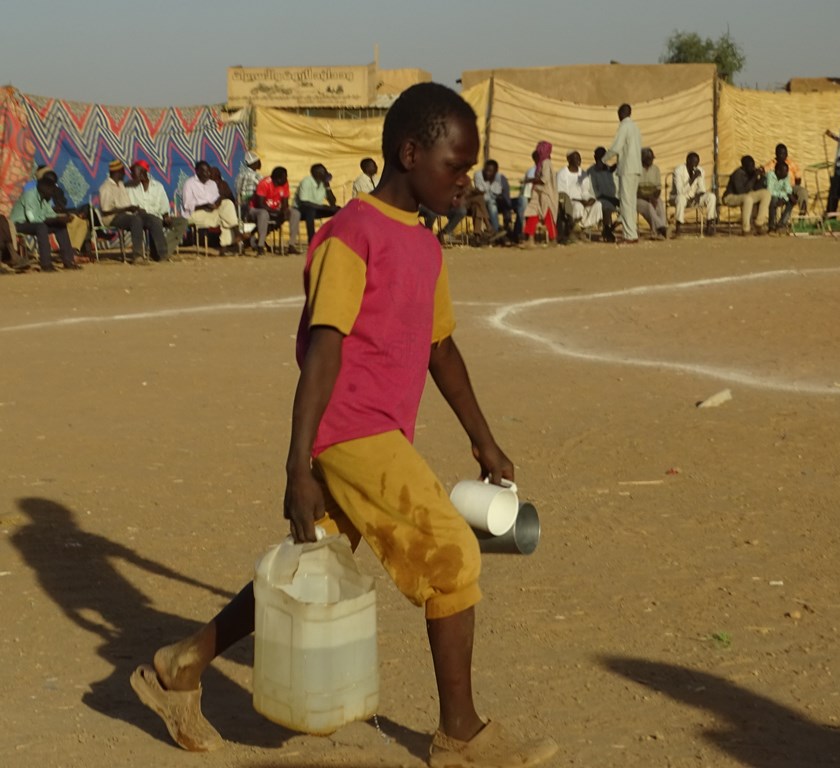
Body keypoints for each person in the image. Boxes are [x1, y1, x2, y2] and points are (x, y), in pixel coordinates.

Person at [129, 81, 558, 768]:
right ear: (410, 153)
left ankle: (179, 665)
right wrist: (297, 465)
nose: (464, 180)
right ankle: (460, 735)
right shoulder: (351, 236)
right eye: (455, 165)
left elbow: (440, 349)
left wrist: (483, 438)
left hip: (378, 433)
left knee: (312, 559)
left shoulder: (424, 245)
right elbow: (324, 348)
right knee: (452, 557)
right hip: (352, 433)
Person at [10, 173, 80, 272]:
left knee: (61, 226)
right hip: (18, 224)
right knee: (41, 227)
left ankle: (68, 261)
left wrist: (62, 218)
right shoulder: (30, 196)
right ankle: (46, 264)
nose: (53, 192)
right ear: (46, 189)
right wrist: (55, 220)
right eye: (52, 190)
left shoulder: (44, 198)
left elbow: (50, 214)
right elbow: (32, 219)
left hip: (34, 223)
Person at [182, 161, 242, 256]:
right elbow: (187, 205)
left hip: (211, 212)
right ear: (197, 171)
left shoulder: (212, 184)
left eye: (209, 171)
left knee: (227, 203)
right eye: (205, 171)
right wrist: (205, 205)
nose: (208, 174)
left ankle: (230, 241)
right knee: (225, 217)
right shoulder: (189, 184)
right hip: (195, 213)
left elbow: (216, 198)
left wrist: (217, 203)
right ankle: (232, 238)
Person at [603, 103, 642, 244]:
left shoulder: (624, 127)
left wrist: (603, 159)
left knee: (625, 202)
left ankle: (629, 235)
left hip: (626, 169)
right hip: (636, 168)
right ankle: (632, 233)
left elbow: (616, 147)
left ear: (621, 114)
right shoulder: (636, 128)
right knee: (631, 202)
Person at [128, 161, 181, 261]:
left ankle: (166, 248)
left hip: (157, 216)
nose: (131, 174)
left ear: (143, 171)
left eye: (133, 172)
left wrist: (166, 215)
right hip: (139, 218)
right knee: (154, 221)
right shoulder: (129, 187)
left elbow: (164, 204)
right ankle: (162, 254)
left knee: (181, 222)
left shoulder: (158, 186)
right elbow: (130, 206)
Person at [99, 159, 147, 264]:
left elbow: (126, 204)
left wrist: (135, 208)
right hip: (111, 218)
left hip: (125, 215)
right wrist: (127, 209)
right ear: (117, 172)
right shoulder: (106, 187)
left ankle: (160, 253)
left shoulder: (120, 185)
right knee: (135, 220)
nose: (125, 173)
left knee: (150, 218)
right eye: (123, 171)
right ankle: (138, 256)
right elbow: (106, 211)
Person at [290, 164, 341, 250]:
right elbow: (304, 202)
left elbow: (332, 202)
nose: (325, 174)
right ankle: (312, 240)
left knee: (338, 210)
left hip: (317, 208)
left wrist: (327, 187)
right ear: (315, 173)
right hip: (301, 209)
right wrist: (325, 207)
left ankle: (335, 236)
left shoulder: (323, 183)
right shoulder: (306, 181)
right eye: (323, 172)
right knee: (310, 210)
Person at [556, 150, 601, 242]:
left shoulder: (583, 174)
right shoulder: (562, 173)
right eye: (576, 158)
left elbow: (585, 191)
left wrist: (590, 199)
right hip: (569, 201)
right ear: (569, 160)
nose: (579, 160)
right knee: (578, 206)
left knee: (598, 205)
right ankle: (574, 231)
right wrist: (580, 201)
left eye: (579, 158)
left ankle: (581, 230)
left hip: (582, 200)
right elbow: (562, 194)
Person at [722, 155, 771, 235]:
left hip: (747, 196)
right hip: (730, 197)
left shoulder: (751, 173)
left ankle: (759, 223)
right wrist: (754, 177)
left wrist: (762, 177)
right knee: (747, 199)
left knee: (766, 193)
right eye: (750, 166)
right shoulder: (738, 174)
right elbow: (741, 191)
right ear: (744, 166)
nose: (752, 167)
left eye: (753, 165)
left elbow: (756, 188)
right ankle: (746, 229)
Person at [248, 166, 290, 256]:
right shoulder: (264, 183)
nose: (286, 179)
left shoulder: (285, 184)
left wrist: (284, 211)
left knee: (294, 213)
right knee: (264, 214)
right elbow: (260, 205)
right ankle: (260, 245)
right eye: (284, 177)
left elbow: (285, 202)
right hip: (256, 209)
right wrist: (277, 212)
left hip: (274, 209)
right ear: (278, 179)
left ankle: (291, 245)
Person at [670, 152, 716, 235]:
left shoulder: (700, 170)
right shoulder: (678, 170)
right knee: (681, 198)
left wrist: (698, 195)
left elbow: (702, 188)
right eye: (694, 163)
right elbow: (680, 191)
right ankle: (678, 227)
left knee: (711, 196)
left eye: (697, 163)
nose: (695, 165)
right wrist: (693, 178)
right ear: (687, 161)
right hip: (678, 197)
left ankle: (709, 225)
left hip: (694, 197)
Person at [522, 141, 558, 247]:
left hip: (546, 194)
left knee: (547, 215)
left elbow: (544, 179)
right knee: (532, 213)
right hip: (537, 193)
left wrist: (530, 180)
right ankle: (530, 239)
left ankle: (553, 238)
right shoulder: (541, 163)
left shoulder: (546, 162)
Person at [586, 147, 619, 242]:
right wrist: (611, 199)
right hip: (600, 200)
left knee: (627, 207)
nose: (601, 159)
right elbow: (595, 193)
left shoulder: (610, 170)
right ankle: (607, 229)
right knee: (606, 206)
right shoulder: (591, 172)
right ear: (595, 157)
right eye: (599, 157)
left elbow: (617, 186)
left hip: (614, 199)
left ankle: (611, 228)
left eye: (603, 157)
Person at [764, 144, 808, 215]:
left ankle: (802, 213)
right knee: (778, 199)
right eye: (780, 153)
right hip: (778, 189)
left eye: (785, 153)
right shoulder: (771, 164)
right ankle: (778, 221)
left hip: (791, 187)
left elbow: (798, 177)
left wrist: (793, 189)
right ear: (776, 154)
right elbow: (765, 176)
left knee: (802, 191)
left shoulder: (791, 163)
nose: (783, 156)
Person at [473, 160, 514, 236]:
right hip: (482, 201)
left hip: (496, 201)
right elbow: (481, 191)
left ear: (495, 171)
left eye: (490, 171)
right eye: (486, 170)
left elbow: (500, 193)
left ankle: (503, 230)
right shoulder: (478, 175)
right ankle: (495, 230)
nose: (487, 173)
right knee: (492, 204)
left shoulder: (500, 178)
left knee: (495, 204)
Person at [636, 148, 667, 240]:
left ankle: (659, 230)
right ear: (642, 159)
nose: (651, 161)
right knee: (649, 207)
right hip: (638, 198)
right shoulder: (636, 169)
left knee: (660, 205)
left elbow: (658, 187)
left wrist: (654, 198)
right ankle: (661, 229)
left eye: (652, 158)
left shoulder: (656, 169)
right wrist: (649, 198)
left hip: (652, 196)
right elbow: (635, 190)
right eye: (649, 159)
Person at [765, 161, 795, 233]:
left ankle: (781, 224)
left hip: (780, 195)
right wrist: (784, 196)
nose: (787, 173)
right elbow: (770, 191)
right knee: (774, 200)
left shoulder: (785, 176)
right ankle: (771, 226)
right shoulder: (770, 175)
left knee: (791, 202)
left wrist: (787, 197)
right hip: (767, 195)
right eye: (785, 171)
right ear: (778, 171)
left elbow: (788, 188)